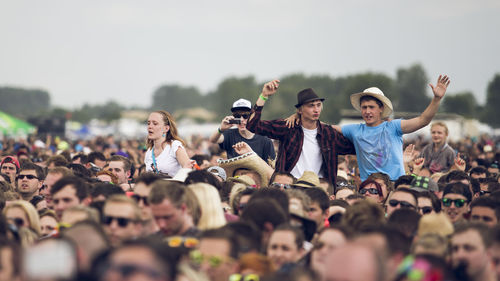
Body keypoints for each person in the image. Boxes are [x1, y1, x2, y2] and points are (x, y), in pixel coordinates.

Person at [337, 75, 450, 181]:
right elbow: (327, 128)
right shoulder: (354, 130)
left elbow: (422, 120)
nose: (367, 111)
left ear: (381, 108)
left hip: (395, 185)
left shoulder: (394, 127)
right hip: (369, 189)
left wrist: (436, 99)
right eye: (364, 107)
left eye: (371, 107)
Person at [246, 80, 355, 186]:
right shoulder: (289, 127)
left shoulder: (328, 133)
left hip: (319, 188)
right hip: (290, 186)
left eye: (318, 105)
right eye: (311, 105)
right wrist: (264, 96)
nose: (316, 109)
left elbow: (356, 146)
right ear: (300, 110)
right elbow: (252, 125)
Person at [210, 98, 275, 163]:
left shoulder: (265, 139)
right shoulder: (229, 134)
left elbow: (271, 166)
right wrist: (221, 129)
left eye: (245, 116)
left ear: (252, 117)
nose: (241, 120)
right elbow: (213, 140)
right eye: (237, 116)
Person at [144, 110, 193, 177]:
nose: (150, 126)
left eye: (155, 124)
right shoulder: (149, 152)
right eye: (148, 123)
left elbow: (188, 168)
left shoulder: (174, 146)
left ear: (166, 128)